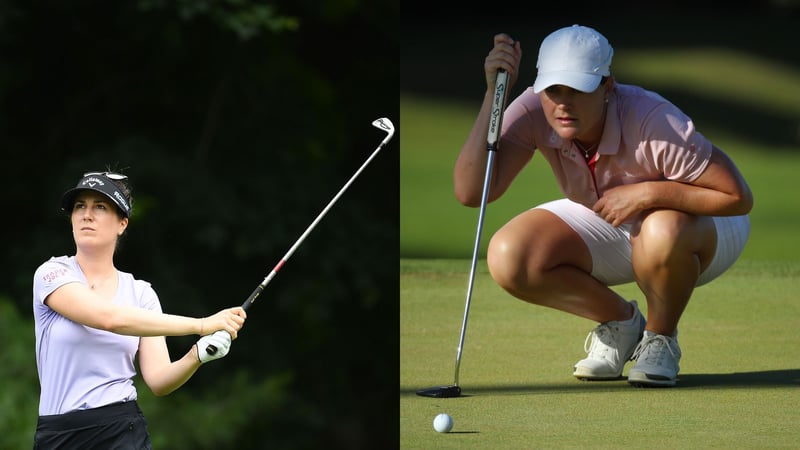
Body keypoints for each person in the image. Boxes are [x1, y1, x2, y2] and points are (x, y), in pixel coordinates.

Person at [455, 25, 752, 387]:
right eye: (553, 89)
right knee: (510, 255)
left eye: (578, 89)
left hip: (705, 225)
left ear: (607, 86)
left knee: (660, 228)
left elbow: (737, 197)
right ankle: (622, 323)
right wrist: (493, 97)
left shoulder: (652, 119)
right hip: (610, 215)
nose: (563, 103)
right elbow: (472, 192)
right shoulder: (533, 108)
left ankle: (660, 339)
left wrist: (648, 194)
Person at [33, 170, 248, 448]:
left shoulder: (141, 293)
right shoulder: (51, 274)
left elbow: (159, 380)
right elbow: (108, 318)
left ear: (122, 223)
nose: (87, 214)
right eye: (79, 206)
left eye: (100, 207)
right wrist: (202, 324)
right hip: (59, 434)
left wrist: (197, 354)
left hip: (121, 431)